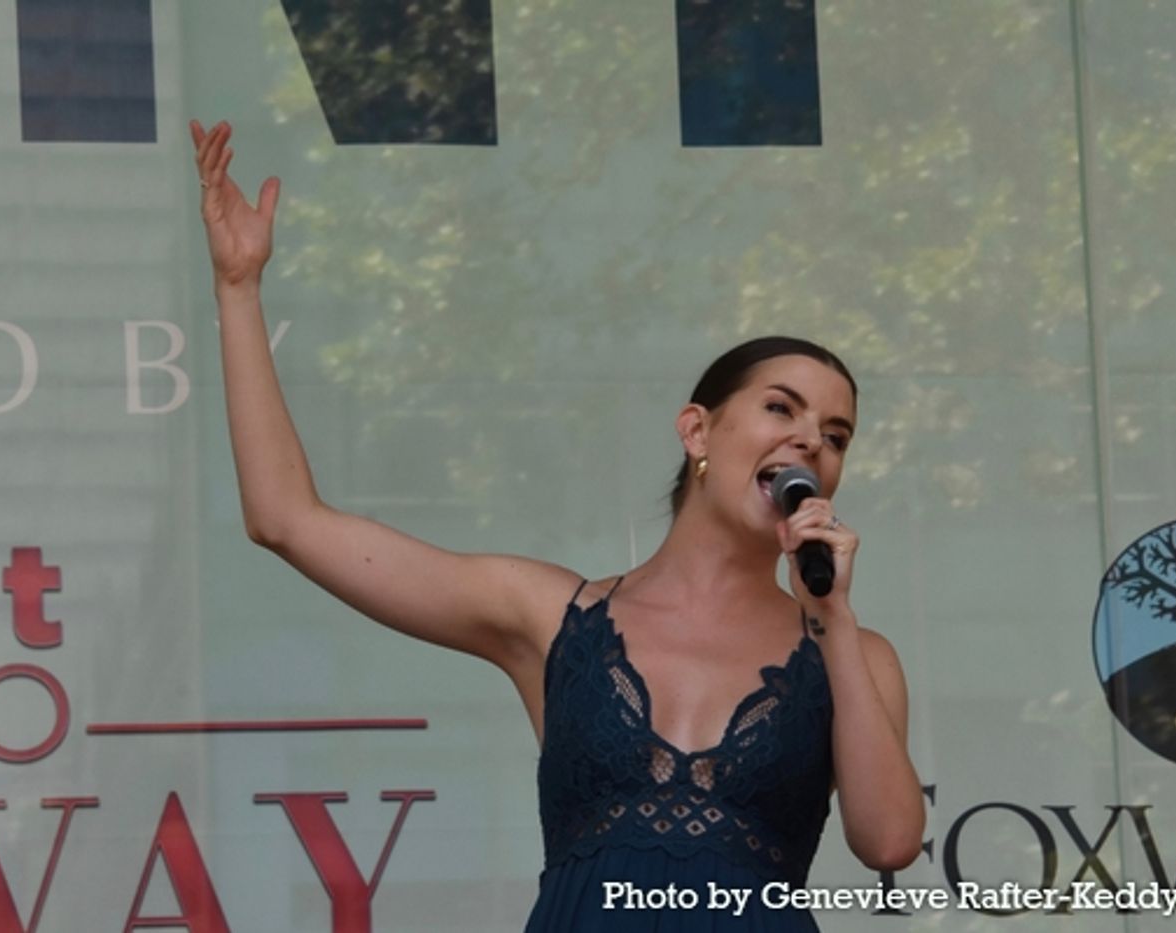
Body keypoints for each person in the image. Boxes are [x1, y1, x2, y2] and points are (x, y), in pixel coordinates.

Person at [191, 119, 924, 931]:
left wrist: (829, 614)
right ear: (698, 432)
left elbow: (889, 839)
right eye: (781, 408)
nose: (809, 441)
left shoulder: (854, 653)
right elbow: (286, 520)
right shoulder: (553, 619)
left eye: (835, 435)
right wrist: (238, 288)